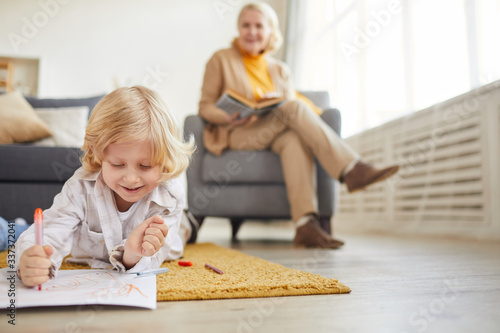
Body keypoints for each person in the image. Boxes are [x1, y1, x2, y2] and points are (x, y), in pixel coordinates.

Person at [198, 2, 399, 249]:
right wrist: (228, 117)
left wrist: (317, 114)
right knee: (292, 108)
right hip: (237, 132)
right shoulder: (221, 59)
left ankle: (305, 226)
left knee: (293, 140)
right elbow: (204, 106)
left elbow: (295, 102)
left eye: (258, 26)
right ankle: (351, 169)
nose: (252, 31)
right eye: (245, 25)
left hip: (273, 132)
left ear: (270, 31)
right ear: (238, 29)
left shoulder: (280, 70)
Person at [16, 86, 195, 288]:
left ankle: (188, 224)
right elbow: (51, 230)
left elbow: (152, 260)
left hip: (172, 237)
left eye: (145, 166)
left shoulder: (169, 195)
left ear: (165, 161)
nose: (131, 178)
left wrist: (131, 254)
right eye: (118, 165)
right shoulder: (80, 188)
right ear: (97, 153)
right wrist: (31, 261)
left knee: (182, 233)